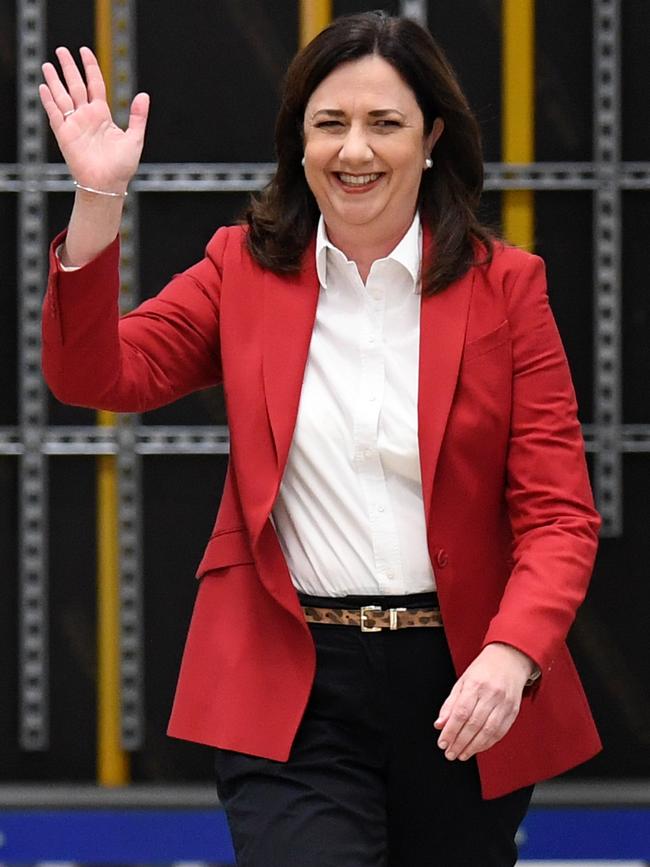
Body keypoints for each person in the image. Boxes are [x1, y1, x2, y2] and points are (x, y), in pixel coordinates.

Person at [39, 11, 601, 867]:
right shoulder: (240, 269)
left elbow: (559, 513)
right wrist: (97, 196)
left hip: (461, 682)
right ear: (299, 141)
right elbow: (97, 375)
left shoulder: (508, 290)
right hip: (293, 679)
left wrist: (513, 651)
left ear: (432, 137)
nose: (355, 151)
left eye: (385, 124)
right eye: (329, 123)